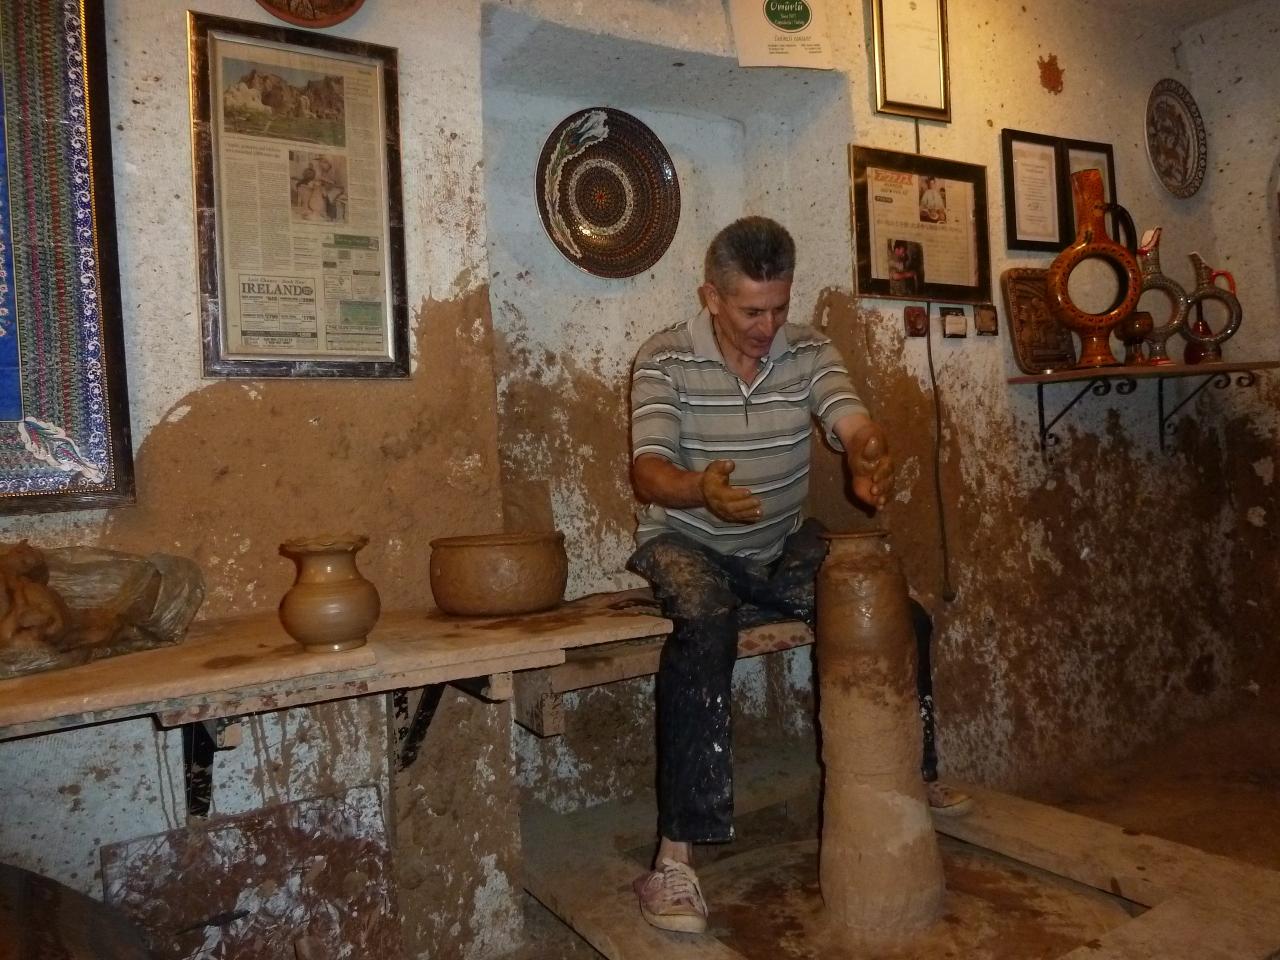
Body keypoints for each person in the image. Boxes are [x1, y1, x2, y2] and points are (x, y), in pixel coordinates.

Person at [627, 217, 966, 935]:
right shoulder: (663, 358)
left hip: (777, 543)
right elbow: (647, 472)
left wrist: (866, 450)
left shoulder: (808, 348)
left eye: (779, 308)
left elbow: (849, 417)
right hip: (685, 541)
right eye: (752, 311)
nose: (768, 326)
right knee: (705, 626)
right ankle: (674, 859)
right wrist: (699, 491)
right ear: (712, 298)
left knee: (900, 614)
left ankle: (917, 771)